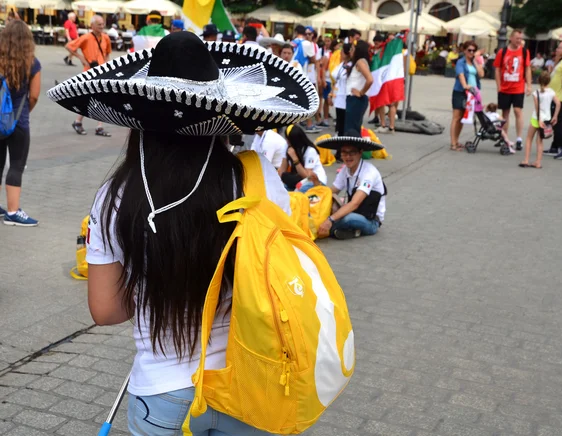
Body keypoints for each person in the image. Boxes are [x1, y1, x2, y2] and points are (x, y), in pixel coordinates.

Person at [50, 30, 322, 435]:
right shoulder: (257, 178)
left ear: (140, 116)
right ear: (220, 114)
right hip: (248, 382)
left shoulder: (114, 196)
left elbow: (106, 310)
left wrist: (156, 280)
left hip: (161, 392)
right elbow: (277, 277)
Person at [0, 20, 41, 226]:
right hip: (19, 123)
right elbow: (34, 96)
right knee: (16, 165)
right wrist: (22, 112)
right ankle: (13, 212)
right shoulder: (32, 63)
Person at [315, 132, 386, 240]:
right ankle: (347, 231)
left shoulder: (369, 172)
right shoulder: (345, 170)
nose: (347, 157)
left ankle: (323, 229)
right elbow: (332, 191)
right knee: (331, 206)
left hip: (371, 220)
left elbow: (354, 203)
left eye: (352, 153)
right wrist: (316, 189)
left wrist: (330, 220)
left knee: (348, 218)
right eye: (344, 153)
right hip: (355, 211)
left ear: (360, 152)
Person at [66, 14, 111, 137]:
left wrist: (107, 67)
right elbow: (69, 46)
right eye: (99, 24)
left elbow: (107, 53)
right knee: (89, 98)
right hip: (89, 72)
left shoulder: (106, 38)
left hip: (102, 72)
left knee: (101, 98)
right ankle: (78, 122)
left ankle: (98, 126)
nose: (102, 27)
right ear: (92, 26)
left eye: (103, 24)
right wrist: (81, 58)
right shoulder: (86, 37)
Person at [493, 29, 532, 151]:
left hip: (518, 87)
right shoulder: (502, 52)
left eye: (521, 39)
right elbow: (497, 69)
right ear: (511, 38)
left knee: (517, 111)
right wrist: (498, 85)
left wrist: (529, 85)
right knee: (505, 113)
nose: (519, 41)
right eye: (517, 39)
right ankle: (504, 138)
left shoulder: (524, 52)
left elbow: (527, 69)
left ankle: (519, 138)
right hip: (505, 87)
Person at [520, 71, 560, 169]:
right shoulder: (551, 92)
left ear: (538, 80)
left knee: (529, 138)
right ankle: (538, 162)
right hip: (547, 119)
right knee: (540, 141)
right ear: (549, 81)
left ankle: (526, 160)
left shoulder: (536, 93)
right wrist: (555, 116)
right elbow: (558, 104)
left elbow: (537, 108)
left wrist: (539, 120)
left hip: (536, 119)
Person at [450, 41, 484, 151]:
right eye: (469, 50)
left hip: (472, 93)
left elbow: (481, 74)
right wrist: (465, 85)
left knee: (462, 118)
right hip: (460, 91)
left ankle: (456, 140)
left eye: (473, 50)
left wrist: (475, 60)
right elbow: (460, 74)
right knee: (456, 117)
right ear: (464, 50)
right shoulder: (461, 62)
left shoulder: (474, 62)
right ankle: (453, 143)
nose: (471, 52)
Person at [290, 25, 319, 133]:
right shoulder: (307, 43)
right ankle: (309, 124)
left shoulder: (292, 42)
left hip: (291, 71)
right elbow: (313, 59)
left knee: (294, 100)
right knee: (308, 99)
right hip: (302, 73)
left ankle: (294, 125)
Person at [281, 125, 327, 192]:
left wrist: (295, 159)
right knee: (281, 189)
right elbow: (282, 169)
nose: (287, 141)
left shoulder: (310, 150)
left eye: (289, 139)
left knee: (299, 190)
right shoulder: (287, 146)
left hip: (315, 181)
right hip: (298, 179)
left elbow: (307, 176)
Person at [344, 40, 373, 135]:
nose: (350, 51)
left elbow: (370, 79)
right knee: (352, 128)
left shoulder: (360, 62)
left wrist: (361, 92)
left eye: (352, 49)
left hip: (356, 99)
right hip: (353, 99)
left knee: (351, 130)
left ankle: (354, 149)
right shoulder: (358, 62)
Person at [329, 43, 352, 139]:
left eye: (342, 52)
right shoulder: (341, 64)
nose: (340, 54)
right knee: (339, 121)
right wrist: (331, 94)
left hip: (346, 97)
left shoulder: (351, 65)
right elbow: (336, 80)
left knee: (344, 122)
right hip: (338, 96)